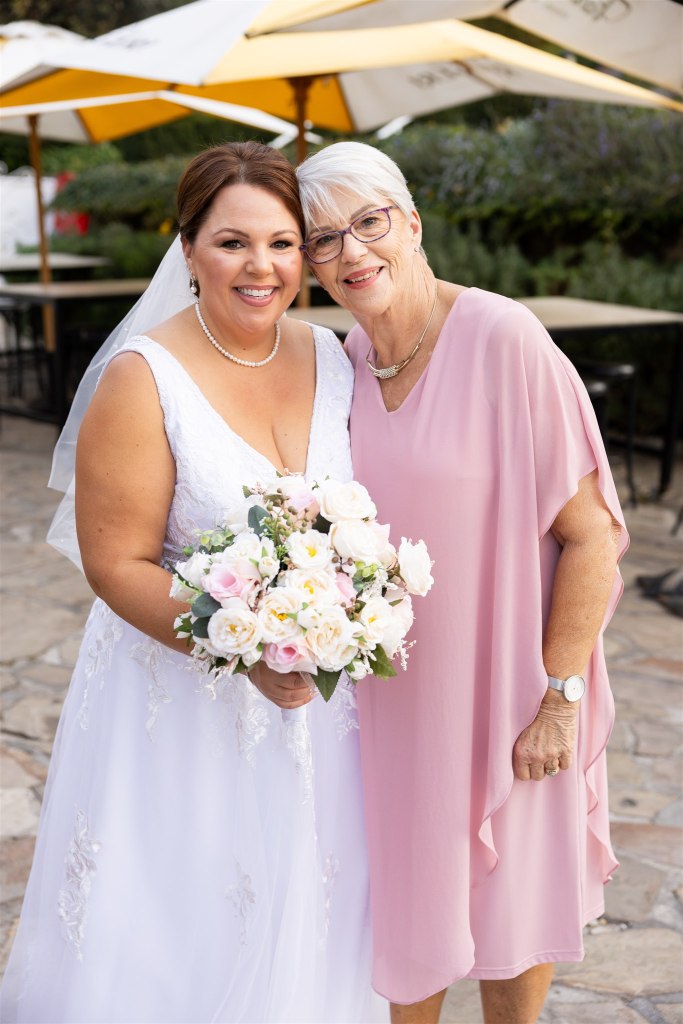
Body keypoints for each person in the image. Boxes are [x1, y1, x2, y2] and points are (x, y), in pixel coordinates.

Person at [0, 142, 386, 1024]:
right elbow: (116, 563)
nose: (262, 267)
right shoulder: (144, 377)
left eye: (282, 244)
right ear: (187, 250)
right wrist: (248, 648)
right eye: (232, 243)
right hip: (181, 702)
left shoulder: (334, 356)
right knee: (184, 928)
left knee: (314, 911)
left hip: (319, 706)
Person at [296, 142, 628, 1024]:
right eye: (324, 239)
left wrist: (557, 698)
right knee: (408, 915)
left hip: (514, 694)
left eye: (368, 222)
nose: (351, 251)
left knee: (512, 912)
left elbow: (592, 536)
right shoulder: (344, 362)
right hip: (396, 704)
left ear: (410, 222)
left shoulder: (501, 338)